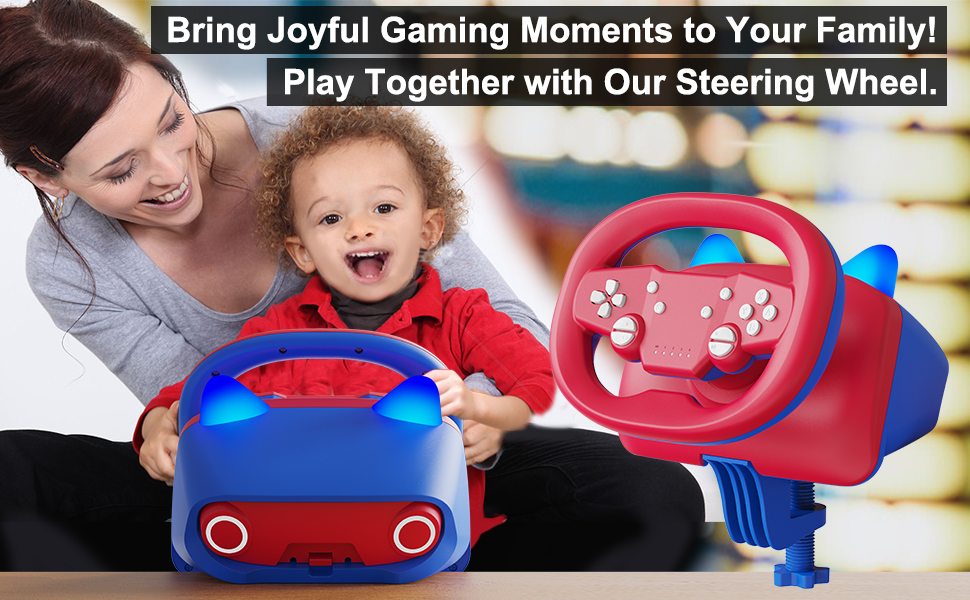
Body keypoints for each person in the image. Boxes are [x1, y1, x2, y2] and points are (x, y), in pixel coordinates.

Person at [0, 0, 703, 571]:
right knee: (15, 476)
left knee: (646, 493)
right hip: (257, 482)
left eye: (171, 120)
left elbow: (516, 332)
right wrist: (162, 428)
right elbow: (198, 398)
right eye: (121, 171)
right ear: (45, 176)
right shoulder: (71, 263)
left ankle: (405, 567)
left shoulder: (323, 137)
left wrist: (473, 414)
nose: (170, 170)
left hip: (428, 457)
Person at [136, 105, 556, 549]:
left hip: (418, 542)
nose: (359, 228)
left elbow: (539, 377)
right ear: (303, 253)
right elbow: (194, 390)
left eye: (384, 207)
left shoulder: (462, 317)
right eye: (331, 219)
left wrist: (490, 417)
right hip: (286, 539)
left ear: (429, 229)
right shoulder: (279, 335)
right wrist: (160, 425)